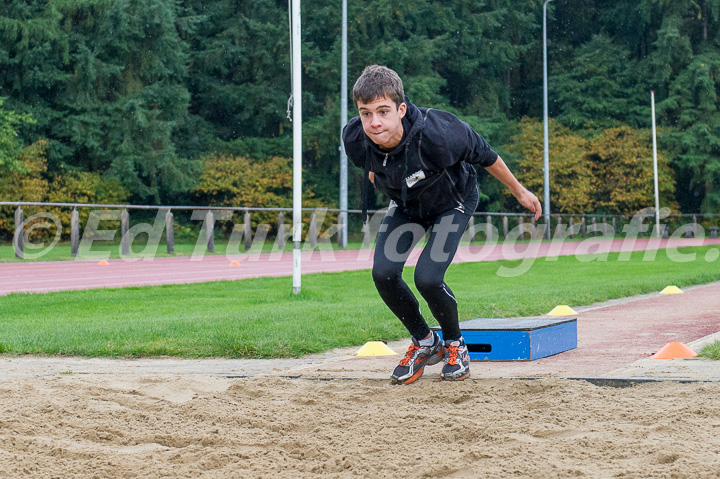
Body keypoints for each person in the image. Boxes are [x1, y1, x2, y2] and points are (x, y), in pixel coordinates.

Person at [342, 65, 541, 384]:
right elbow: (371, 169)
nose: (374, 122)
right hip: (407, 205)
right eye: (366, 113)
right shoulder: (355, 138)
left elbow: (487, 156)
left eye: (383, 111)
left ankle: (455, 345)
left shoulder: (439, 131)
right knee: (383, 273)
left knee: (428, 277)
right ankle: (425, 343)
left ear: (401, 109)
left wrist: (520, 191)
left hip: (453, 201)